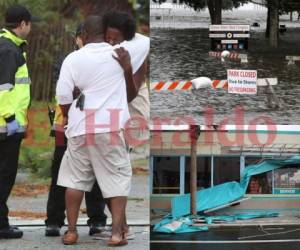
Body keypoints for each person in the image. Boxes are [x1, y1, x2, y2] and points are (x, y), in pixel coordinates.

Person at [56, 15, 149, 246]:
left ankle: (71, 232)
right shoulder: (119, 55)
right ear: (104, 33)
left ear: (85, 34)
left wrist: (68, 113)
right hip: (110, 126)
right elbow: (130, 95)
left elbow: (63, 96)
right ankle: (117, 234)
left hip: (79, 127)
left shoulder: (72, 59)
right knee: (116, 180)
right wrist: (127, 70)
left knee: (75, 181)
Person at [45, 23, 107, 237]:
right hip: (66, 126)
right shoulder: (66, 60)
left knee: (96, 175)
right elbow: (64, 90)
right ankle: (54, 221)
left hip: (93, 125)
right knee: (60, 176)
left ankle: (97, 220)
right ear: (78, 38)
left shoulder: (102, 60)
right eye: (83, 37)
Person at [0, 4, 39, 239]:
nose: (30, 28)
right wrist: (11, 119)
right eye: (29, 23)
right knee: (4, 177)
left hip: (6, 126)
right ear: (22, 24)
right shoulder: (8, 50)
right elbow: (3, 90)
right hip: (5, 128)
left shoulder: (10, 47)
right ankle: (1, 226)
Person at [103, 11, 149, 158]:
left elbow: (131, 95)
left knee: (138, 127)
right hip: (112, 93)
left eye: (115, 39)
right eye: (108, 37)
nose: (110, 42)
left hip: (133, 89)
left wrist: (127, 70)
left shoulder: (139, 50)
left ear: (126, 39)